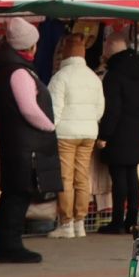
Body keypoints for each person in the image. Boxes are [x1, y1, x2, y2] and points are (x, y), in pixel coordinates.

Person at [0, 16, 61, 263]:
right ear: (29, 46)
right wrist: (49, 126)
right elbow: (28, 108)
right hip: (23, 144)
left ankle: (7, 243)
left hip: (14, 142)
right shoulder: (18, 72)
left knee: (14, 193)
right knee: (17, 195)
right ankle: (10, 245)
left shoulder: (9, 68)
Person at [98, 31, 139, 234]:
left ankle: (117, 221)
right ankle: (132, 220)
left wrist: (104, 135)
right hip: (136, 130)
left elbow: (112, 109)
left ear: (111, 48)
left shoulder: (114, 74)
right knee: (132, 175)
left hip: (118, 133)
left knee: (119, 178)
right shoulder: (138, 69)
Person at [47, 34, 105, 238]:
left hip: (65, 133)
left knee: (65, 178)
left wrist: (50, 129)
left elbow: (54, 109)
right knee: (82, 177)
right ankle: (80, 223)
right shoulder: (93, 77)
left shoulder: (60, 77)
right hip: (88, 133)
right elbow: (100, 109)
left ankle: (66, 224)